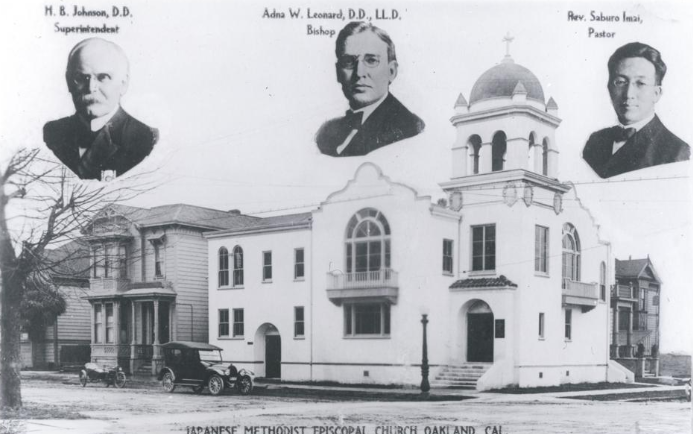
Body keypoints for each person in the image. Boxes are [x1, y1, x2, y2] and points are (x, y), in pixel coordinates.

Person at [44, 38, 158, 181]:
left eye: (103, 77)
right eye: (81, 78)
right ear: (68, 81)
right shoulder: (51, 133)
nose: (91, 88)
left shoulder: (145, 137)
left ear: (123, 83)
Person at [315, 22, 425, 157]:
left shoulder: (409, 126)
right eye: (349, 62)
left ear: (391, 71)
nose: (359, 73)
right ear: (338, 72)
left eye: (371, 60)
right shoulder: (327, 132)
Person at [582, 42, 689, 178]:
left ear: (656, 93)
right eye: (620, 82)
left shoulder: (678, 151)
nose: (628, 94)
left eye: (640, 83)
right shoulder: (596, 141)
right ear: (609, 88)